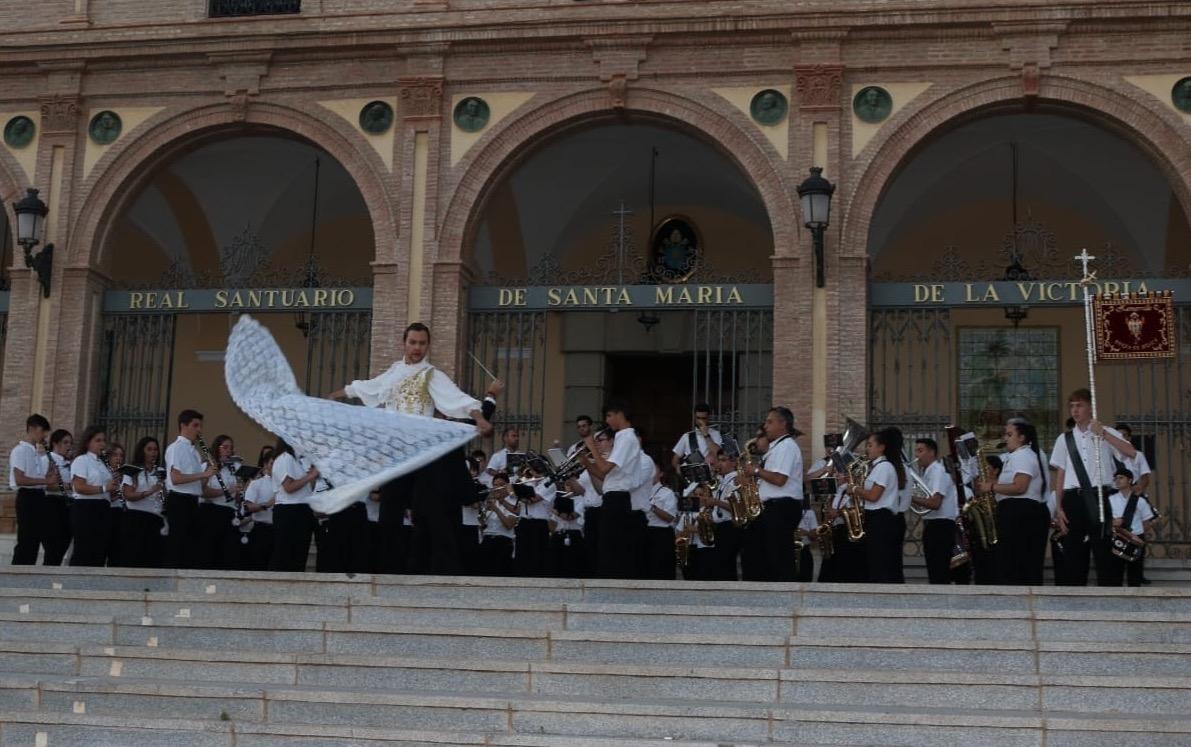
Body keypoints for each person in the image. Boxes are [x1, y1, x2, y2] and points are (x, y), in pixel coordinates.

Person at [327, 322, 493, 575]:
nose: (417, 348)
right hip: (395, 453)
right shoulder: (394, 372)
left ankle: (432, 569)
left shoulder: (431, 375)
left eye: (422, 343)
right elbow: (366, 387)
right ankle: (388, 571)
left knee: (428, 513)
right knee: (389, 513)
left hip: (421, 453)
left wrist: (480, 418)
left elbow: (459, 399)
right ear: (404, 343)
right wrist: (335, 395)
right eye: (413, 342)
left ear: (428, 345)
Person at [1050, 388, 1137, 586]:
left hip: (1099, 496)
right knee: (1073, 552)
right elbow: (1061, 474)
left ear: (1090, 407)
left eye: (1079, 405)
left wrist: (1104, 434)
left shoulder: (1105, 432)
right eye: (1072, 406)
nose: (1075, 410)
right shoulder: (1064, 439)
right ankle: (1074, 595)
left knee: (1103, 549)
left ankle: (1107, 595)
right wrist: (1059, 506)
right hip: (1073, 498)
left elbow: (1130, 452)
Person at [974, 419, 1050, 586]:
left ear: (1022, 437)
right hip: (1015, 511)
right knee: (1011, 562)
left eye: (1009, 434)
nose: (1005, 438)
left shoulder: (1023, 455)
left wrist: (991, 486)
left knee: (1015, 562)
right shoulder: (1015, 456)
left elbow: (1020, 487)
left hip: (1020, 513)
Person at [579, 399, 643, 579]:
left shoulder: (627, 437)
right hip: (612, 496)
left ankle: (611, 581)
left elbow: (605, 468)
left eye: (609, 416)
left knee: (612, 545)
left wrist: (592, 447)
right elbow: (605, 476)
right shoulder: (623, 438)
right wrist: (586, 463)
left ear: (619, 414)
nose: (607, 421)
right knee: (606, 544)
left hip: (618, 499)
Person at [742, 407, 804, 581]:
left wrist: (755, 470)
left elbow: (779, 479)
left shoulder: (786, 446)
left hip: (781, 507)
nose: (766, 426)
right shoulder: (776, 448)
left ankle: (783, 594)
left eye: (770, 422)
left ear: (783, 424)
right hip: (771, 507)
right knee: (763, 555)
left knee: (779, 557)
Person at [849, 428, 905, 584]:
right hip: (876, 518)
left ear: (881, 448)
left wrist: (854, 488)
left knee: (880, 564)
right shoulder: (876, 467)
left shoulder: (884, 467)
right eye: (867, 445)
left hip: (882, 519)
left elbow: (874, 496)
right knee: (874, 562)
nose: (867, 449)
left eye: (870, 445)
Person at [164, 410, 216, 569]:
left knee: (192, 547)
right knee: (177, 546)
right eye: (195, 425)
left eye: (200, 426)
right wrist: (203, 473)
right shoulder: (176, 448)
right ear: (183, 426)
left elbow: (198, 486)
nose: (199, 430)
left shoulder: (194, 452)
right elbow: (176, 478)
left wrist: (210, 472)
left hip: (192, 502)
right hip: (179, 501)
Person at [9, 414, 62, 566]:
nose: (45, 435)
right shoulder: (20, 450)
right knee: (27, 540)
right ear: (32, 429)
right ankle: (17, 576)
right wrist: (46, 480)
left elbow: (38, 479)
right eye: (42, 430)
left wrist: (49, 474)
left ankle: (29, 574)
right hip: (27, 497)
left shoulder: (36, 453)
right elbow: (19, 479)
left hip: (39, 497)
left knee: (35, 541)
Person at [912, 438, 964, 585]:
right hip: (933, 524)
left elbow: (935, 503)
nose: (917, 455)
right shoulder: (928, 472)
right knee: (934, 570)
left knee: (939, 571)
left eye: (920, 451)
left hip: (941, 526)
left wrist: (910, 498)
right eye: (916, 450)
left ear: (932, 452)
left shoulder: (938, 471)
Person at [69, 425, 117, 567]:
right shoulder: (81, 460)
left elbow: (106, 491)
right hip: (86, 508)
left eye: (103, 440)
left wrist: (113, 488)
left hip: (102, 508)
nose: (102, 444)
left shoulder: (103, 464)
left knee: (99, 549)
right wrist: (103, 488)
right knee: (84, 549)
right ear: (87, 442)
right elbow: (78, 486)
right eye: (98, 440)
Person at [270, 437, 318, 572]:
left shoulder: (300, 461)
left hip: (303, 509)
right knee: (285, 556)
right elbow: (289, 487)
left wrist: (312, 474)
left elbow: (308, 488)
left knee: (299, 556)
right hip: (289, 511)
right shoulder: (284, 458)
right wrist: (310, 476)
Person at [1102, 467, 1155, 588]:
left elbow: (1147, 522)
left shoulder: (1140, 500)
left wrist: (1135, 535)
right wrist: (1113, 523)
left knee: (1135, 575)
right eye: (1115, 478)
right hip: (1117, 538)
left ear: (1130, 480)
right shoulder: (1110, 500)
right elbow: (1105, 521)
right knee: (1115, 574)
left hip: (1135, 539)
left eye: (1121, 478)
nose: (1117, 480)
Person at [120, 437, 166, 568]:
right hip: (136, 519)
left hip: (156, 518)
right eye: (149, 449)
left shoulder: (161, 472)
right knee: (134, 558)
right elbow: (127, 494)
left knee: (153, 559)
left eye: (155, 449)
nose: (153, 453)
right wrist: (149, 492)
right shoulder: (132, 470)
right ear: (142, 451)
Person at [199, 435, 240, 570]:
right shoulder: (208, 465)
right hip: (211, 512)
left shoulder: (234, 468)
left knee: (227, 553)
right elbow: (202, 491)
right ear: (217, 448)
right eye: (225, 447)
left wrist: (240, 490)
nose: (228, 451)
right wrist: (226, 491)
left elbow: (237, 496)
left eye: (231, 448)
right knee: (209, 552)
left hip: (229, 512)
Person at [241, 448, 276, 571]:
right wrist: (266, 505)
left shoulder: (284, 484)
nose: (275, 467)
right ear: (266, 465)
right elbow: (248, 506)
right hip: (261, 530)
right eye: (272, 463)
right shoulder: (257, 483)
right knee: (258, 567)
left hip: (278, 530)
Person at [643, 460, 678, 580]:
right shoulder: (640, 492)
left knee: (661, 570)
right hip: (644, 532)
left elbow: (670, 517)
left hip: (661, 534)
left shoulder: (667, 493)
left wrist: (652, 507)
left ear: (661, 474)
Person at [478, 473, 518, 576]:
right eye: (495, 485)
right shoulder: (490, 501)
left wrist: (496, 510)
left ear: (507, 486)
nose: (497, 488)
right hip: (487, 540)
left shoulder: (513, 502)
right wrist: (485, 510)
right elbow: (481, 523)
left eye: (501, 485)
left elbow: (509, 525)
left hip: (503, 542)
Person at [45, 429, 74, 565]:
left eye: (70, 443)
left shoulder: (68, 462)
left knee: (64, 543)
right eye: (65, 442)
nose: (69, 446)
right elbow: (46, 485)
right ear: (55, 443)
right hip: (53, 505)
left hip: (67, 505)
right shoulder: (47, 459)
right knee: (54, 547)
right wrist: (68, 486)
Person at [670, 403, 722, 473]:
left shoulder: (715, 434)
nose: (700, 421)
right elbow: (675, 459)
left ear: (708, 418)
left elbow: (718, 453)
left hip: (711, 474)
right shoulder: (687, 436)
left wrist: (706, 435)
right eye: (698, 418)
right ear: (694, 417)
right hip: (693, 476)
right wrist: (678, 468)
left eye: (703, 418)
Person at [103, 443, 127, 566]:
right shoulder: (105, 472)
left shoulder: (123, 473)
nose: (118, 458)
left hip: (120, 511)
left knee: (117, 550)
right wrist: (118, 487)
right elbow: (109, 497)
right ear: (109, 457)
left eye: (121, 456)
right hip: (109, 512)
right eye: (115, 455)